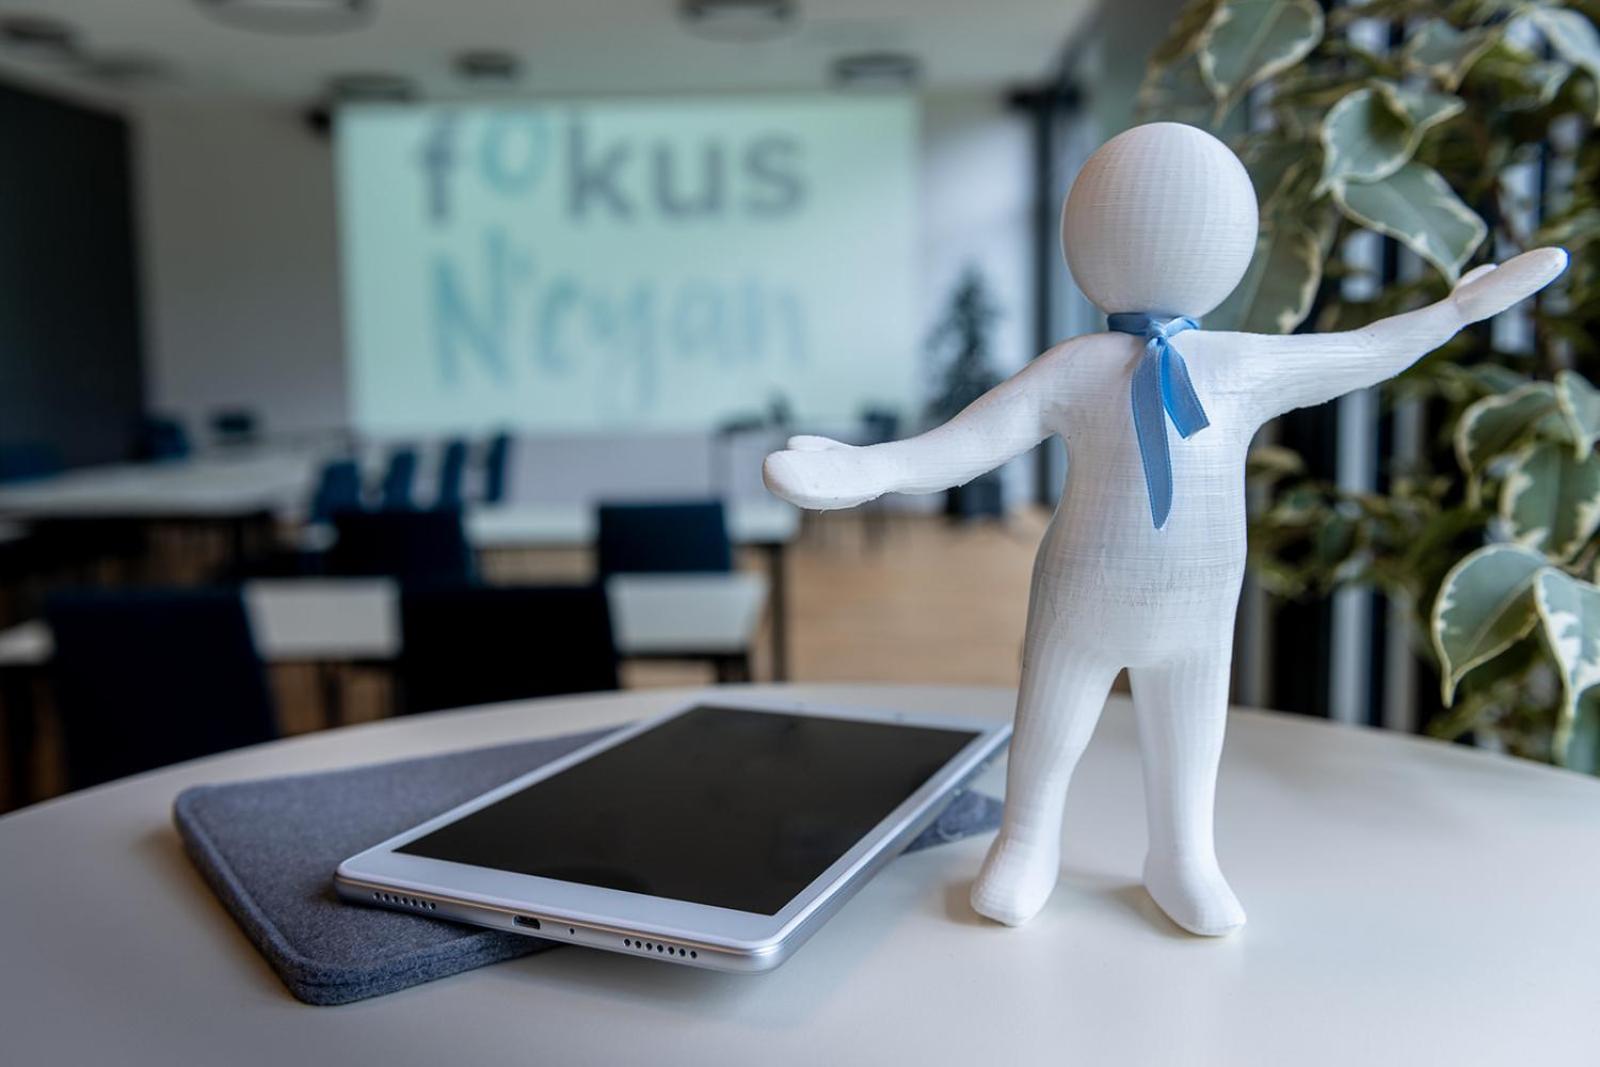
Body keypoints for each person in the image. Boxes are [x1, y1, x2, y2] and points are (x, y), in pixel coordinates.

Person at [762, 121, 1568, 936]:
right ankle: (1026, 840)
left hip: (1200, 607)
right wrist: (870, 468)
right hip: (1079, 596)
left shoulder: (1239, 363)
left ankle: (1182, 855)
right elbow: (969, 442)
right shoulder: (1077, 367)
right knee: (1050, 727)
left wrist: (1452, 312)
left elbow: (1360, 352)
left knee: (1190, 736)